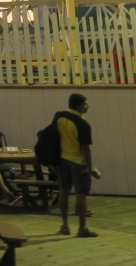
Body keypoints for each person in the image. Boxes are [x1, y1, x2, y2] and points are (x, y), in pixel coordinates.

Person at [57, 93, 98, 237]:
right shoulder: (82, 124)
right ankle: (82, 228)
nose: (87, 106)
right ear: (78, 106)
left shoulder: (60, 117)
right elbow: (85, 148)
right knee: (81, 194)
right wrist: (89, 167)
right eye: (85, 103)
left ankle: (65, 225)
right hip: (78, 162)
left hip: (63, 159)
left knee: (64, 190)